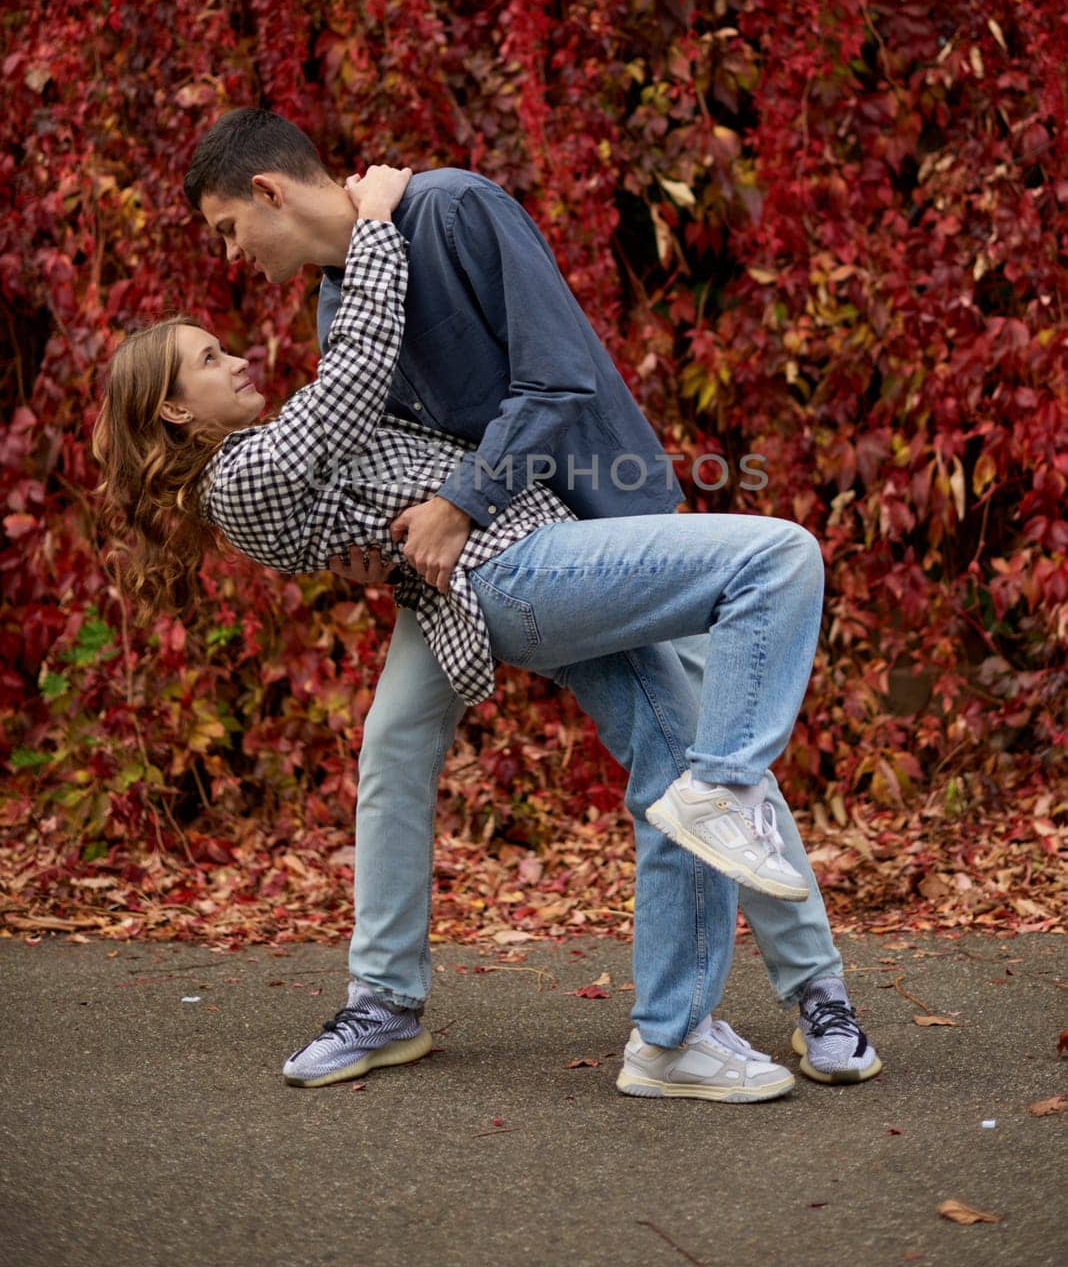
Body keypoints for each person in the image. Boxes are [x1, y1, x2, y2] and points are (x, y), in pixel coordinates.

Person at [97, 164, 830, 1104]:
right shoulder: (245, 470)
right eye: (207, 362)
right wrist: (370, 223)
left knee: (668, 754)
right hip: (515, 572)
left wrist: (392, 535)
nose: (237, 354)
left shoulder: (442, 223)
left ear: (273, 191)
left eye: (229, 230)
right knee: (775, 565)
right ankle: (404, 995)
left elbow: (418, 440)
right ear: (172, 411)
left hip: (540, 547)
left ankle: (680, 1036)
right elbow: (357, 372)